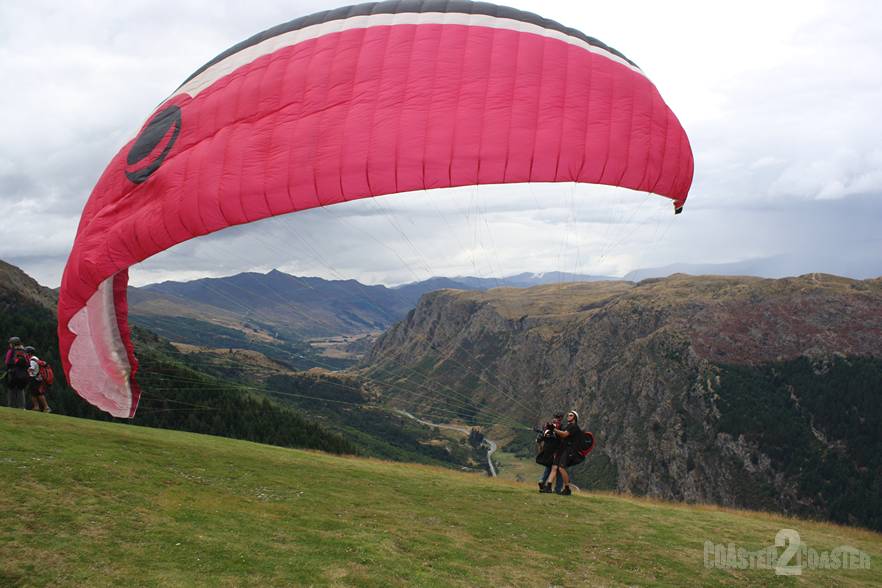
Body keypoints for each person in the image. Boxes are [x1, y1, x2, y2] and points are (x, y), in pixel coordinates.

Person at [543, 410, 582, 496]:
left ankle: (567, 489)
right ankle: (548, 487)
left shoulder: (573, 426)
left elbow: (564, 434)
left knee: (561, 468)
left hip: (568, 450)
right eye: (568, 415)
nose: (568, 416)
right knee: (554, 467)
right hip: (562, 449)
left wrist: (554, 429)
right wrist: (550, 429)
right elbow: (559, 434)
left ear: (575, 418)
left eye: (571, 415)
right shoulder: (568, 426)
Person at [536, 413, 564, 493]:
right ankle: (558, 489)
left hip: (547, 449)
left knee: (549, 466)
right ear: (561, 418)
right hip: (556, 450)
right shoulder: (560, 426)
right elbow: (560, 437)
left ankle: (542, 481)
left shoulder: (547, 426)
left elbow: (542, 437)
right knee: (560, 469)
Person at [4, 337, 29, 409]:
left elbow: (7, 362)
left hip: (12, 373)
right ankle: (22, 407)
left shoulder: (11, 351)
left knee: (11, 389)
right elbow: (28, 363)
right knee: (20, 389)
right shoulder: (24, 351)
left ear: (13, 344)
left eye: (10, 343)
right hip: (23, 374)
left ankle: (10, 405)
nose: (9, 344)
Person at [24, 346, 51, 413]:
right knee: (34, 393)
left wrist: (27, 370)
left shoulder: (32, 360)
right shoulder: (35, 358)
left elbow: (32, 368)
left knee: (38, 393)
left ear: (29, 353)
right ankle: (37, 407)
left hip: (34, 378)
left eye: (26, 352)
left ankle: (45, 407)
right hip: (38, 378)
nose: (25, 354)